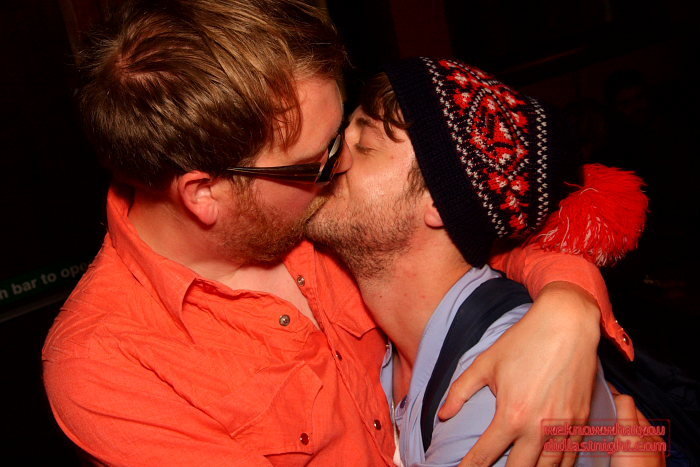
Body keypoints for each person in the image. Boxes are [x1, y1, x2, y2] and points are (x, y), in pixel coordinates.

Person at [42, 1, 636, 465]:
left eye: (347, 133)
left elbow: (495, 233)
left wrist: (569, 312)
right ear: (205, 194)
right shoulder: (109, 364)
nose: (340, 163)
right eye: (316, 160)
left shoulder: (325, 217)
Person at [306, 58, 654, 466]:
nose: (329, 152)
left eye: (365, 145)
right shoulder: (399, 345)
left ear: (441, 205)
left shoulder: (499, 397)